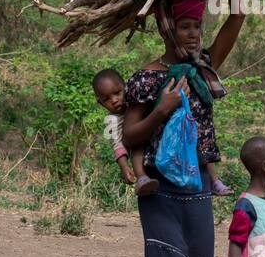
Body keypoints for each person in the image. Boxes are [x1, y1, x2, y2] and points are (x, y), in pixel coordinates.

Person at [121, 0, 245, 257]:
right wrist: (161, 109)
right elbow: (130, 135)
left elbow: (238, 16)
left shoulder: (205, 69)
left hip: (197, 188)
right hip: (158, 188)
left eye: (197, 27)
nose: (194, 35)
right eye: (185, 27)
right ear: (166, 29)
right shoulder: (146, 78)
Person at [93, 67, 231, 199]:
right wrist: (124, 166)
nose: (114, 100)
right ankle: (142, 177)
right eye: (107, 99)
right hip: (139, 145)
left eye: (117, 93)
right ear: (100, 103)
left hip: (157, 137)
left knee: (197, 143)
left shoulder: (137, 102)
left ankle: (214, 181)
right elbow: (117, 144)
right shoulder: (112, 120)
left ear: (127, 88)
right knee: (136, 145)